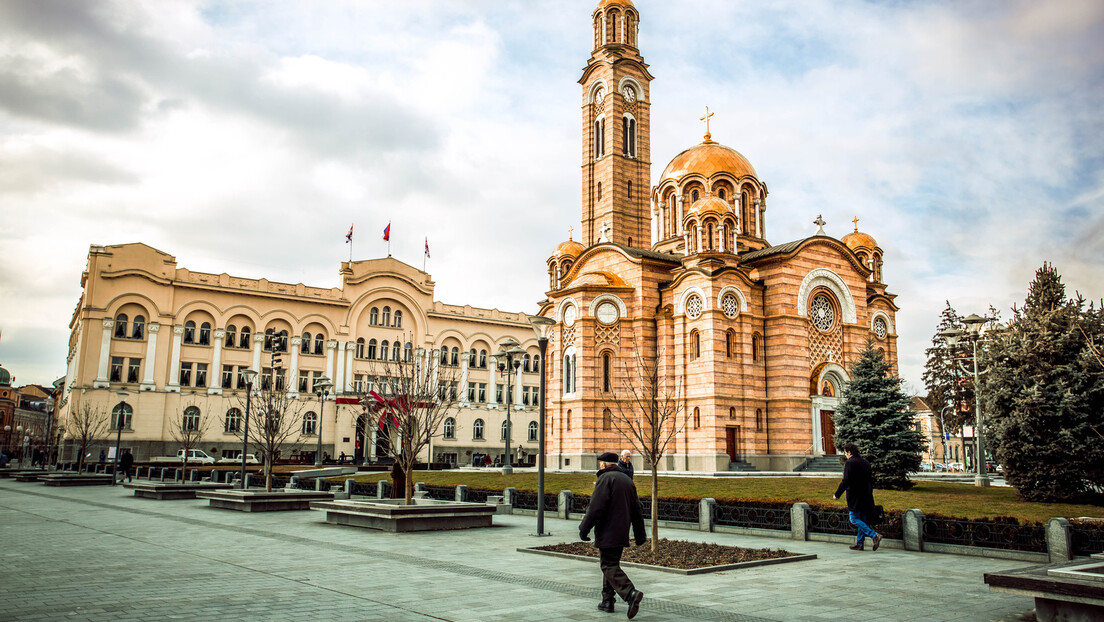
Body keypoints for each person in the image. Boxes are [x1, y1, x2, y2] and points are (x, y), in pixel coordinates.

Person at [579, 451, 646, 618]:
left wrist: (583, 528)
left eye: (600, 463)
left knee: (607, 565)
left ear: (604, 464)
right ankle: (607, 601)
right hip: (621, 531)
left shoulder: (605, 479)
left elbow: (595, 508)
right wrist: (640, 535)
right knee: (611, 563)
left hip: (607, 531)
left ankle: (630, 593)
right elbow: (637, 509)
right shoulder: (627, 480)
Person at [832, 443, 881, 551]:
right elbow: (870, 480)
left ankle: (874, 535)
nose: (845, 455)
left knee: (853, 519)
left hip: (855, 496)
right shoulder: (865, 462)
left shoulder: (850, 463)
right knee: (862, 519)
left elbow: (846, 481)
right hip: (866, 495)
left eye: (845, 453)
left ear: (849, 452)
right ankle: (860, 544)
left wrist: (837, 494)